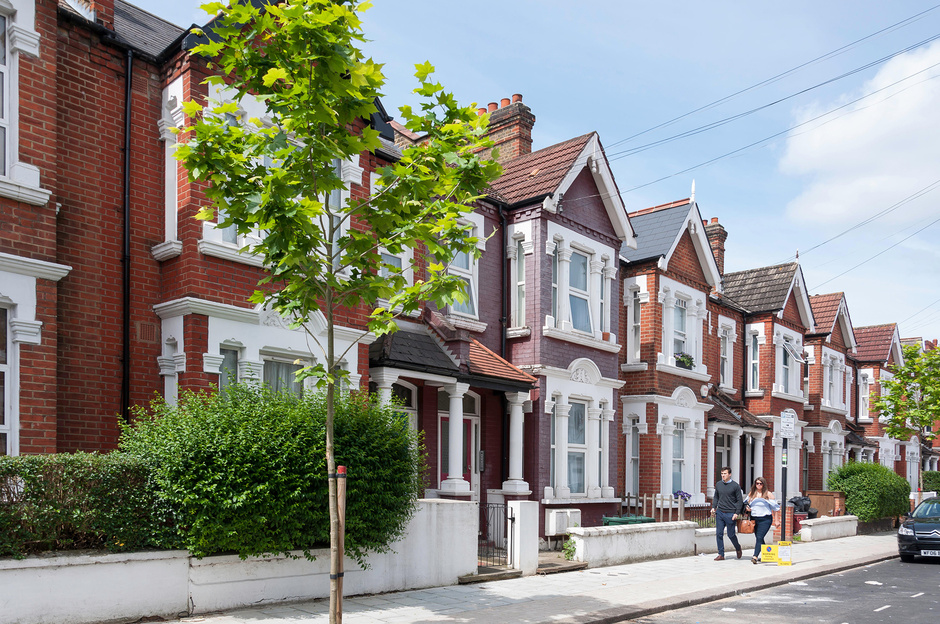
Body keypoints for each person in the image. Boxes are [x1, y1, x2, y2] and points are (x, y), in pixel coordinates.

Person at [710, 467, 744, 560]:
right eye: (721, 474)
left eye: (725, 474)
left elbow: (739, 501)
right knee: (719, 533)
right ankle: (721, 554)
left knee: (731, 534)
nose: (723, 475)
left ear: (729, 474)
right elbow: (716, 497)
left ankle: (738, 547)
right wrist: (714, 507)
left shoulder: (735, 486)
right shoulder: (719, 484)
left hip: (730, 513)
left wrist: (737, 513)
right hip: (720, 512)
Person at [745, 476, 780, 564]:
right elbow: (745, 504)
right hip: (754, 519)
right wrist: (747, 509)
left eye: (761, 483)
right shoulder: (752, 494)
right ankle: (767, 555)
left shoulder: (768, 494)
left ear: (764, 484)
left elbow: (776, 508)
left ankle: (755, 556)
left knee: (760, 537)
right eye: (757, 483)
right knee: (759, 537)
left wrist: (777, 520)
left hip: (765, 519)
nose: (759, 485)